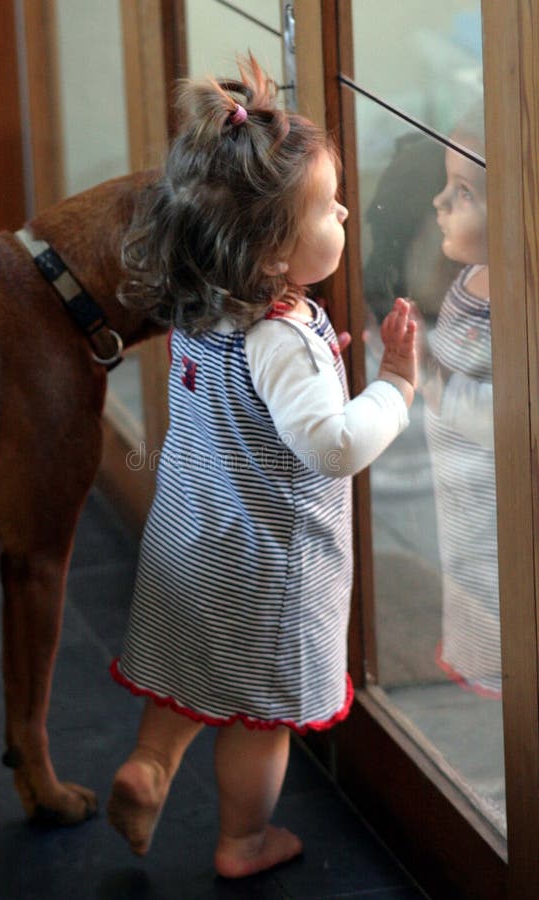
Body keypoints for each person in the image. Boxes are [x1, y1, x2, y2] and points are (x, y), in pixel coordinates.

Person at [108, 54, 416, 879]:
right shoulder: (280, 334)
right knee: (258, 715)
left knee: (190, 666)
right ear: (274, 253)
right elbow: (333, 445)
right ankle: (243, 841)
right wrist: (391, 387)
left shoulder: (204, 301)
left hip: (194, 532)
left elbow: (253, 404)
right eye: (327, 206)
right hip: (265, 562)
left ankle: (149, 766)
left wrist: (321, 364)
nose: (346, 209)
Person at [417, 110, 500, 697]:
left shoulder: (519, 303)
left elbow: (512, 417)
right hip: (460, 502)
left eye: (463, 192)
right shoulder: (470, 278)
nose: (439, 201)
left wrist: (430, 378)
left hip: (503, 513)